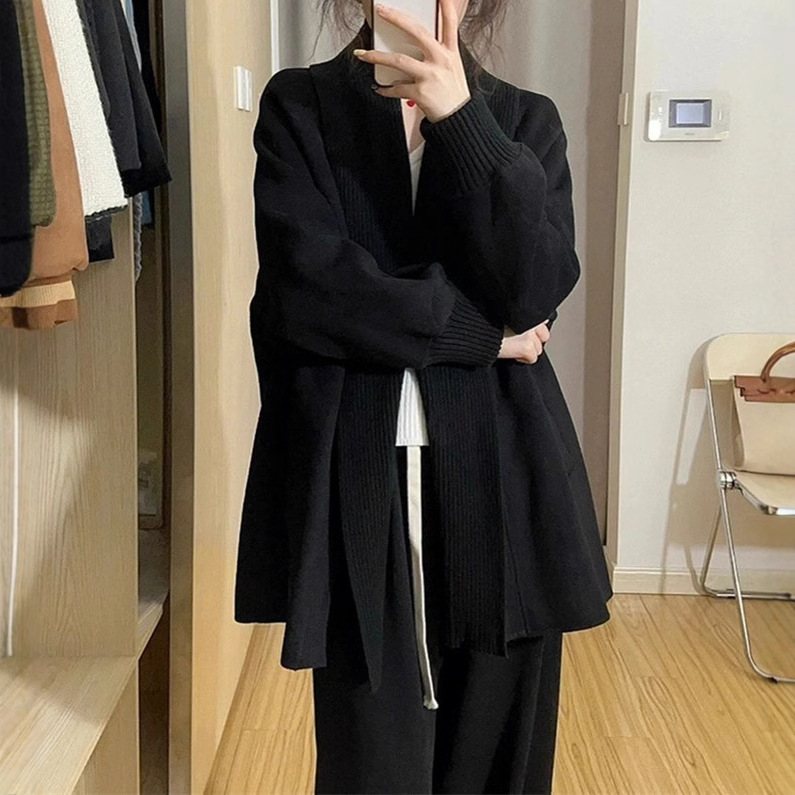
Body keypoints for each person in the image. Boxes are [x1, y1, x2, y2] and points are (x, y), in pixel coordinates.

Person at [234, 1, 612, 792]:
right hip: (354, 480)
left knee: (496, 761)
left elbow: (535, 287)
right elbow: (310, 294)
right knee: (370, 762)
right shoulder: (300, 107)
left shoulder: (524, 121)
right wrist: (481, 337)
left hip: (506, 481)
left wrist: (463, 124)